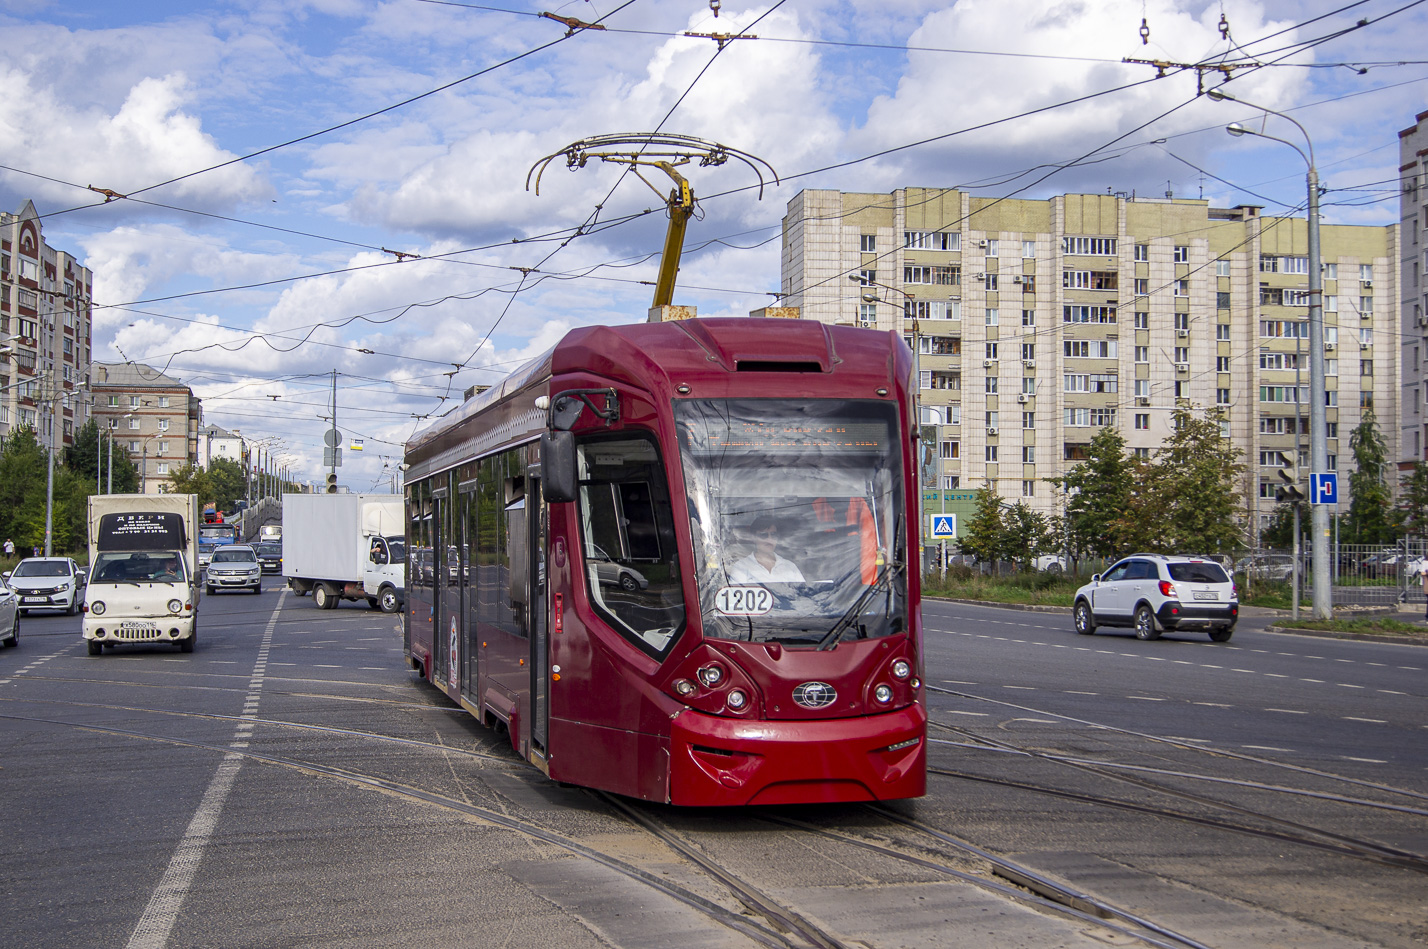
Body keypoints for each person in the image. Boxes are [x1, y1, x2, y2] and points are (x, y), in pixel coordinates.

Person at [728, 515, 805, 583]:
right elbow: (736, 597)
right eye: (763, 535)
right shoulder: (741, 567)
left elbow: (804, 596)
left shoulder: (790, 567)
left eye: (773, 535)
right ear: (754, 538)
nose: (769, 539)